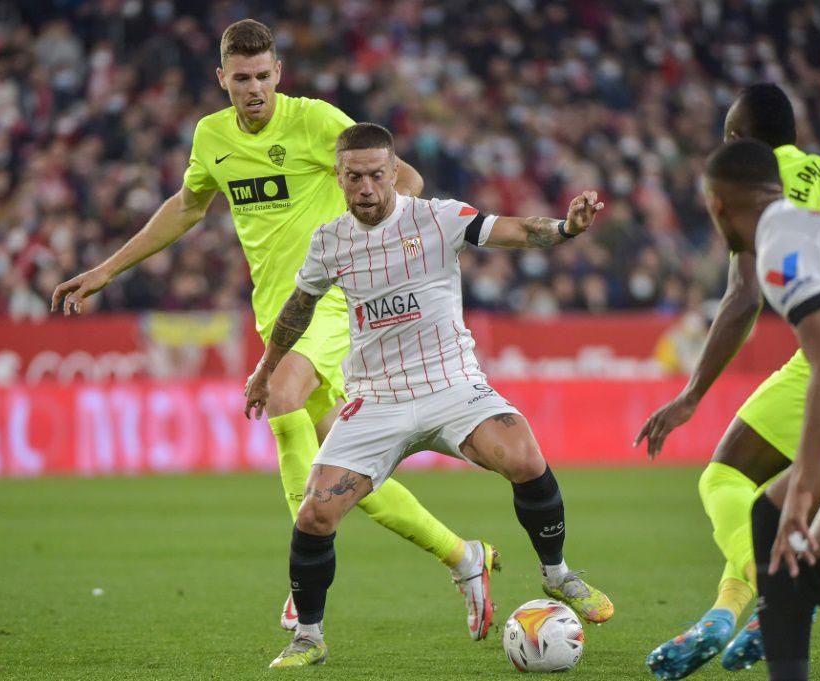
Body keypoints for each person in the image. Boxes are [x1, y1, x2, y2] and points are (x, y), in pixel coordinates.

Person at [50, 19, 493, 636]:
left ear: (278, 74)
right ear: (222, 79)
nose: (254, 88)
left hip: (337, 303)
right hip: (277, 317)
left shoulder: (314, 120)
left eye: (263, 76)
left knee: (281, 397)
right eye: (241, 79)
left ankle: (300, 586)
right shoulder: (212, 137)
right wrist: (105, 271)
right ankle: (464, 555)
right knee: (339, 474)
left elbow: (405, 181)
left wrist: (387, 257)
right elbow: (187, 207)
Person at [244, 123, 614, 668]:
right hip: (377, 398)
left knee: (525, 456)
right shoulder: (330, 241)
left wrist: (565, 228)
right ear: (339, 177)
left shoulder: (438, 218)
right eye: (354, 177)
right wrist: (265, 369)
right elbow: (298, 308)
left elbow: (513, 230)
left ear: (394, 172)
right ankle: (309, 637)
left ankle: (559, 575)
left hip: (451, 385)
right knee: (314, 518)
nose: (366, 187)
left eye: (375, 174)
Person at [638, 83, 820, 679]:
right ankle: (762, 623)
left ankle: (751, 608)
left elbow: (790, 333)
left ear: (720, 204)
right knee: (772, 524)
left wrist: (692, 396)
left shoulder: (776, 227)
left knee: (806, 553)